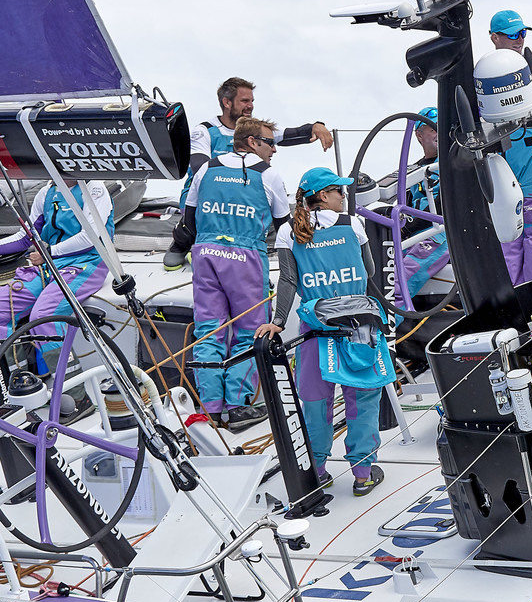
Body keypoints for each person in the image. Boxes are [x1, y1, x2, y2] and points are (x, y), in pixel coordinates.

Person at [258, 167, 392, 497]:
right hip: (358, 328)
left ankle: (317, 471)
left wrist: (277, 321)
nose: (344, 198)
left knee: (316, 403)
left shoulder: (288, 232)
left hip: (316, 330)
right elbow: (370, 271)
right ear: (323, 196)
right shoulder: (353, 225)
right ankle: (363, 474)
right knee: (362, 399)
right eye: (340, 192)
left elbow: (288, 281)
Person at [183, 116, 291, 428]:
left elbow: (189, 220)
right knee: (250, 330)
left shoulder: (206, 168)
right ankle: (239, 406)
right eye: (270, 143)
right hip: (245, 257)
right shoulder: (267, 174)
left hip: (205, 254)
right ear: (252, 142)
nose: (274, 149)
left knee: (209, 330)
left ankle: (210, 409)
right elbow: (283, 227)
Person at [164, 77, 333, 270]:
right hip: (206, 196)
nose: (250, 106)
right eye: (245, 101)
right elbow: (199, 167)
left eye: (252, 101)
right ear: (226, 103)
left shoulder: (253, 130)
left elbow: (287, 134)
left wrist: (315, 127)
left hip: (239, 196)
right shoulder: (205, 131)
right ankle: (183, 239)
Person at [0, 179, 115, 367]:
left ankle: (75, 394)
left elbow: (91, 237)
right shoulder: (46, 193)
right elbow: (24, 237)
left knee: (44, 317)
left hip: (87, 264)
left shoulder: (95, 189)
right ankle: (18, 379)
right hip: (50, 264)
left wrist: (49, 253)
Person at [486, 11, 532, 287]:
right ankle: (513, 307)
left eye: (522, 33)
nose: (519, 40)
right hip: (502, 159)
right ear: (494, 37)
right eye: (512, 35)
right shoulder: (482, 72)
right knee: (507, 235)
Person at [397, 106, 453, 303]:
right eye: (433, 128)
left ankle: (388, 332)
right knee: (381, 268)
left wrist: (408, 228)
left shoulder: (452, 163)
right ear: (419, 135)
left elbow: (445, 204)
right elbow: (403, 207)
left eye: (441, 127)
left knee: (397, 283)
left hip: (439, 236)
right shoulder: (412, 171)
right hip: (415, 236)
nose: (439, 132)